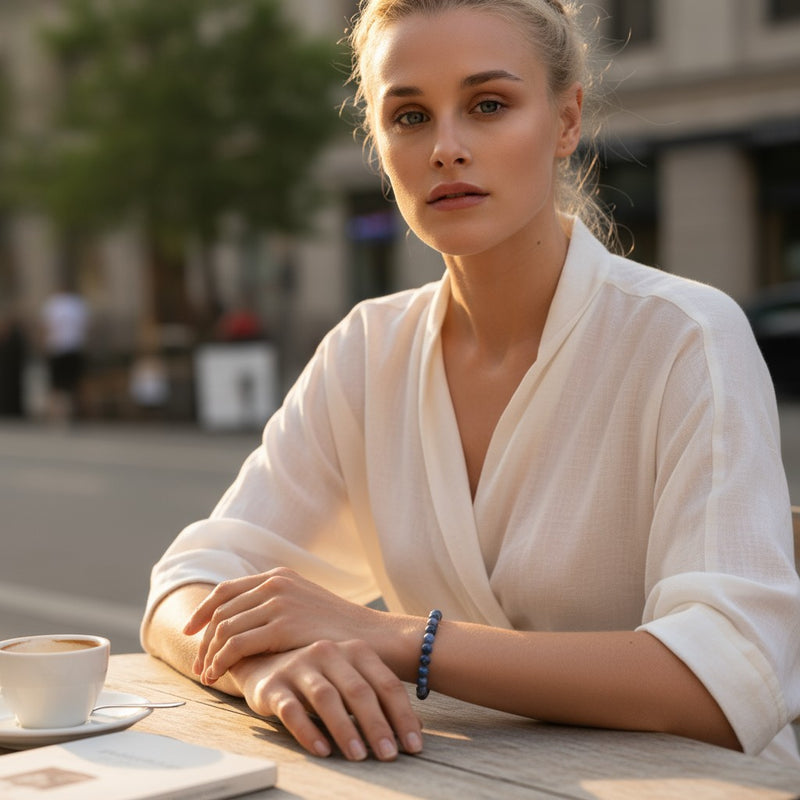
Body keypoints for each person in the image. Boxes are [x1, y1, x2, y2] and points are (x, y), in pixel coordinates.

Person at [141, 0, 800, 767]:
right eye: (410, 117)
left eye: (488, 105)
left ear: (565, 120)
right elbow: (187, 584)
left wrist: (397, 638)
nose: (446, 149)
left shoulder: (685, 337)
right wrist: (266, 667)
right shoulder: (366, 350)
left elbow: (728, 678)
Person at [39, 280, 90, 423]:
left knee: (55, 384)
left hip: (57, 347)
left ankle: (55, 415)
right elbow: (86, 327)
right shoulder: (78, 304)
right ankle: (77, 412)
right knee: (75, 382)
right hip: (74, 347)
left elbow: (45, 327)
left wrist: (43, 345)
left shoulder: (52, 304)